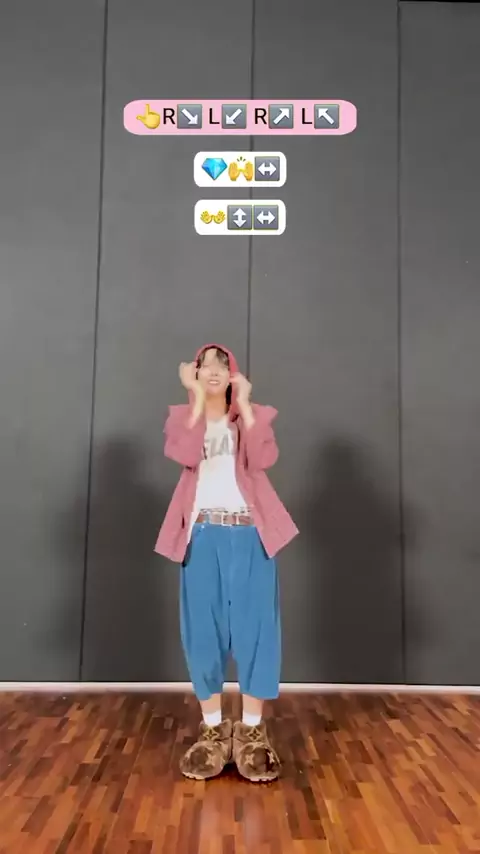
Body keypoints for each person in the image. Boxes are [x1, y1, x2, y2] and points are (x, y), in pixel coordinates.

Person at [155, 344, 298, 782]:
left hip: (251, 534)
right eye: (205, 365)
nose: (214, 371)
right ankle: (213, 731)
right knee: (203, 629)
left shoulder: (251, 418)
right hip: (202, 534)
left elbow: (263, 459)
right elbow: (184, 454)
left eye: (222, 364)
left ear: (233, 374)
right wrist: (196, 399)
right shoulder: (184, 417)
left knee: (257, 630)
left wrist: (247, 405)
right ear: (195, 373)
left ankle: (252, 732)